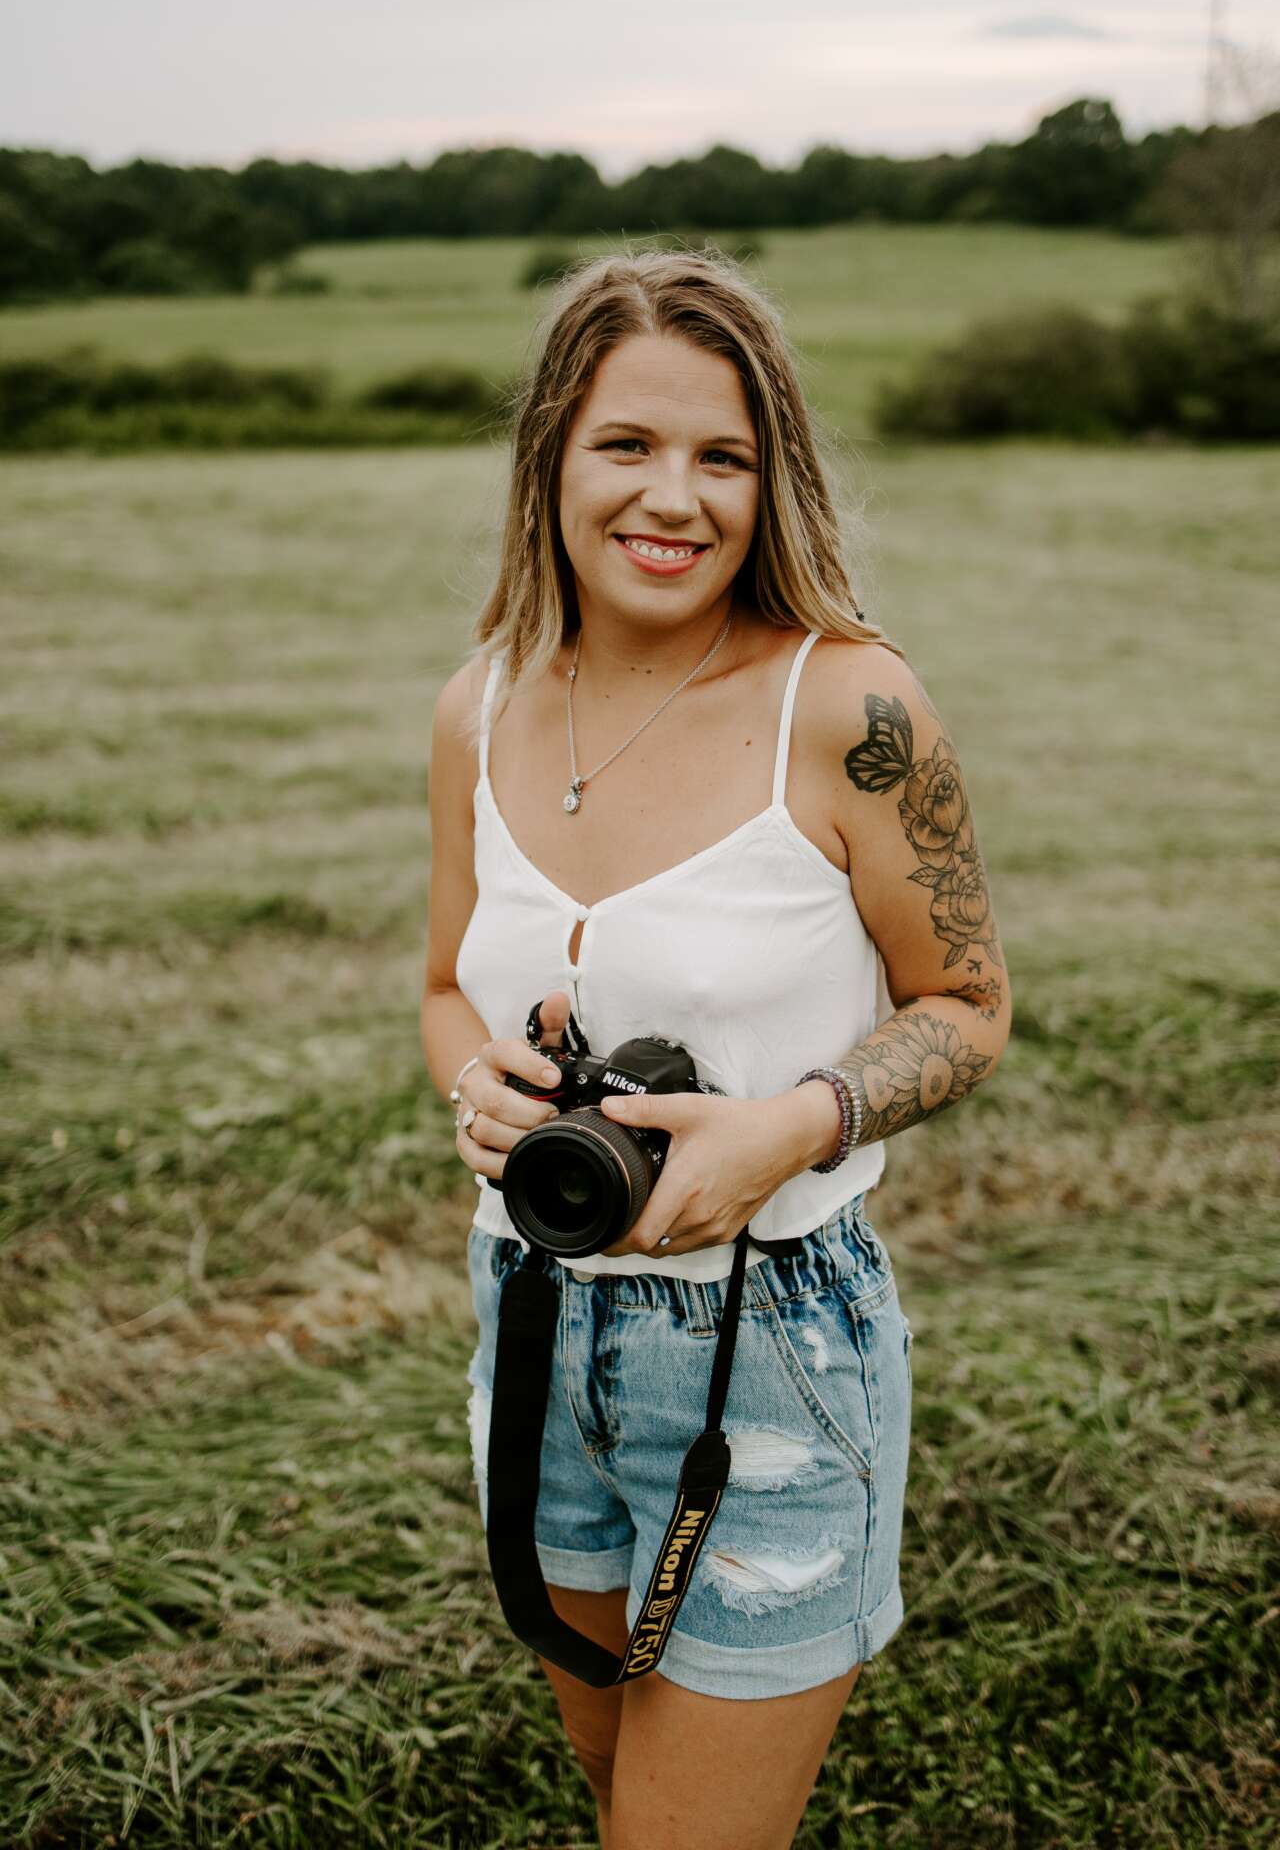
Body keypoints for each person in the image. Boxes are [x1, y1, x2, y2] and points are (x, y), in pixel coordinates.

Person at [421, 247, 1012, 1850]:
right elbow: (444, 988)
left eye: (723, 457)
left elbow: (969, 1007)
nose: (672, 498)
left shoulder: (853, 708)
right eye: (627, 443)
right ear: (552, 455)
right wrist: (481, 1083)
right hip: (532, 1317)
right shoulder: (478, 706)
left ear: (774, 480)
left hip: (775, 1341)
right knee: (617, 1786)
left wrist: (791, 1125)